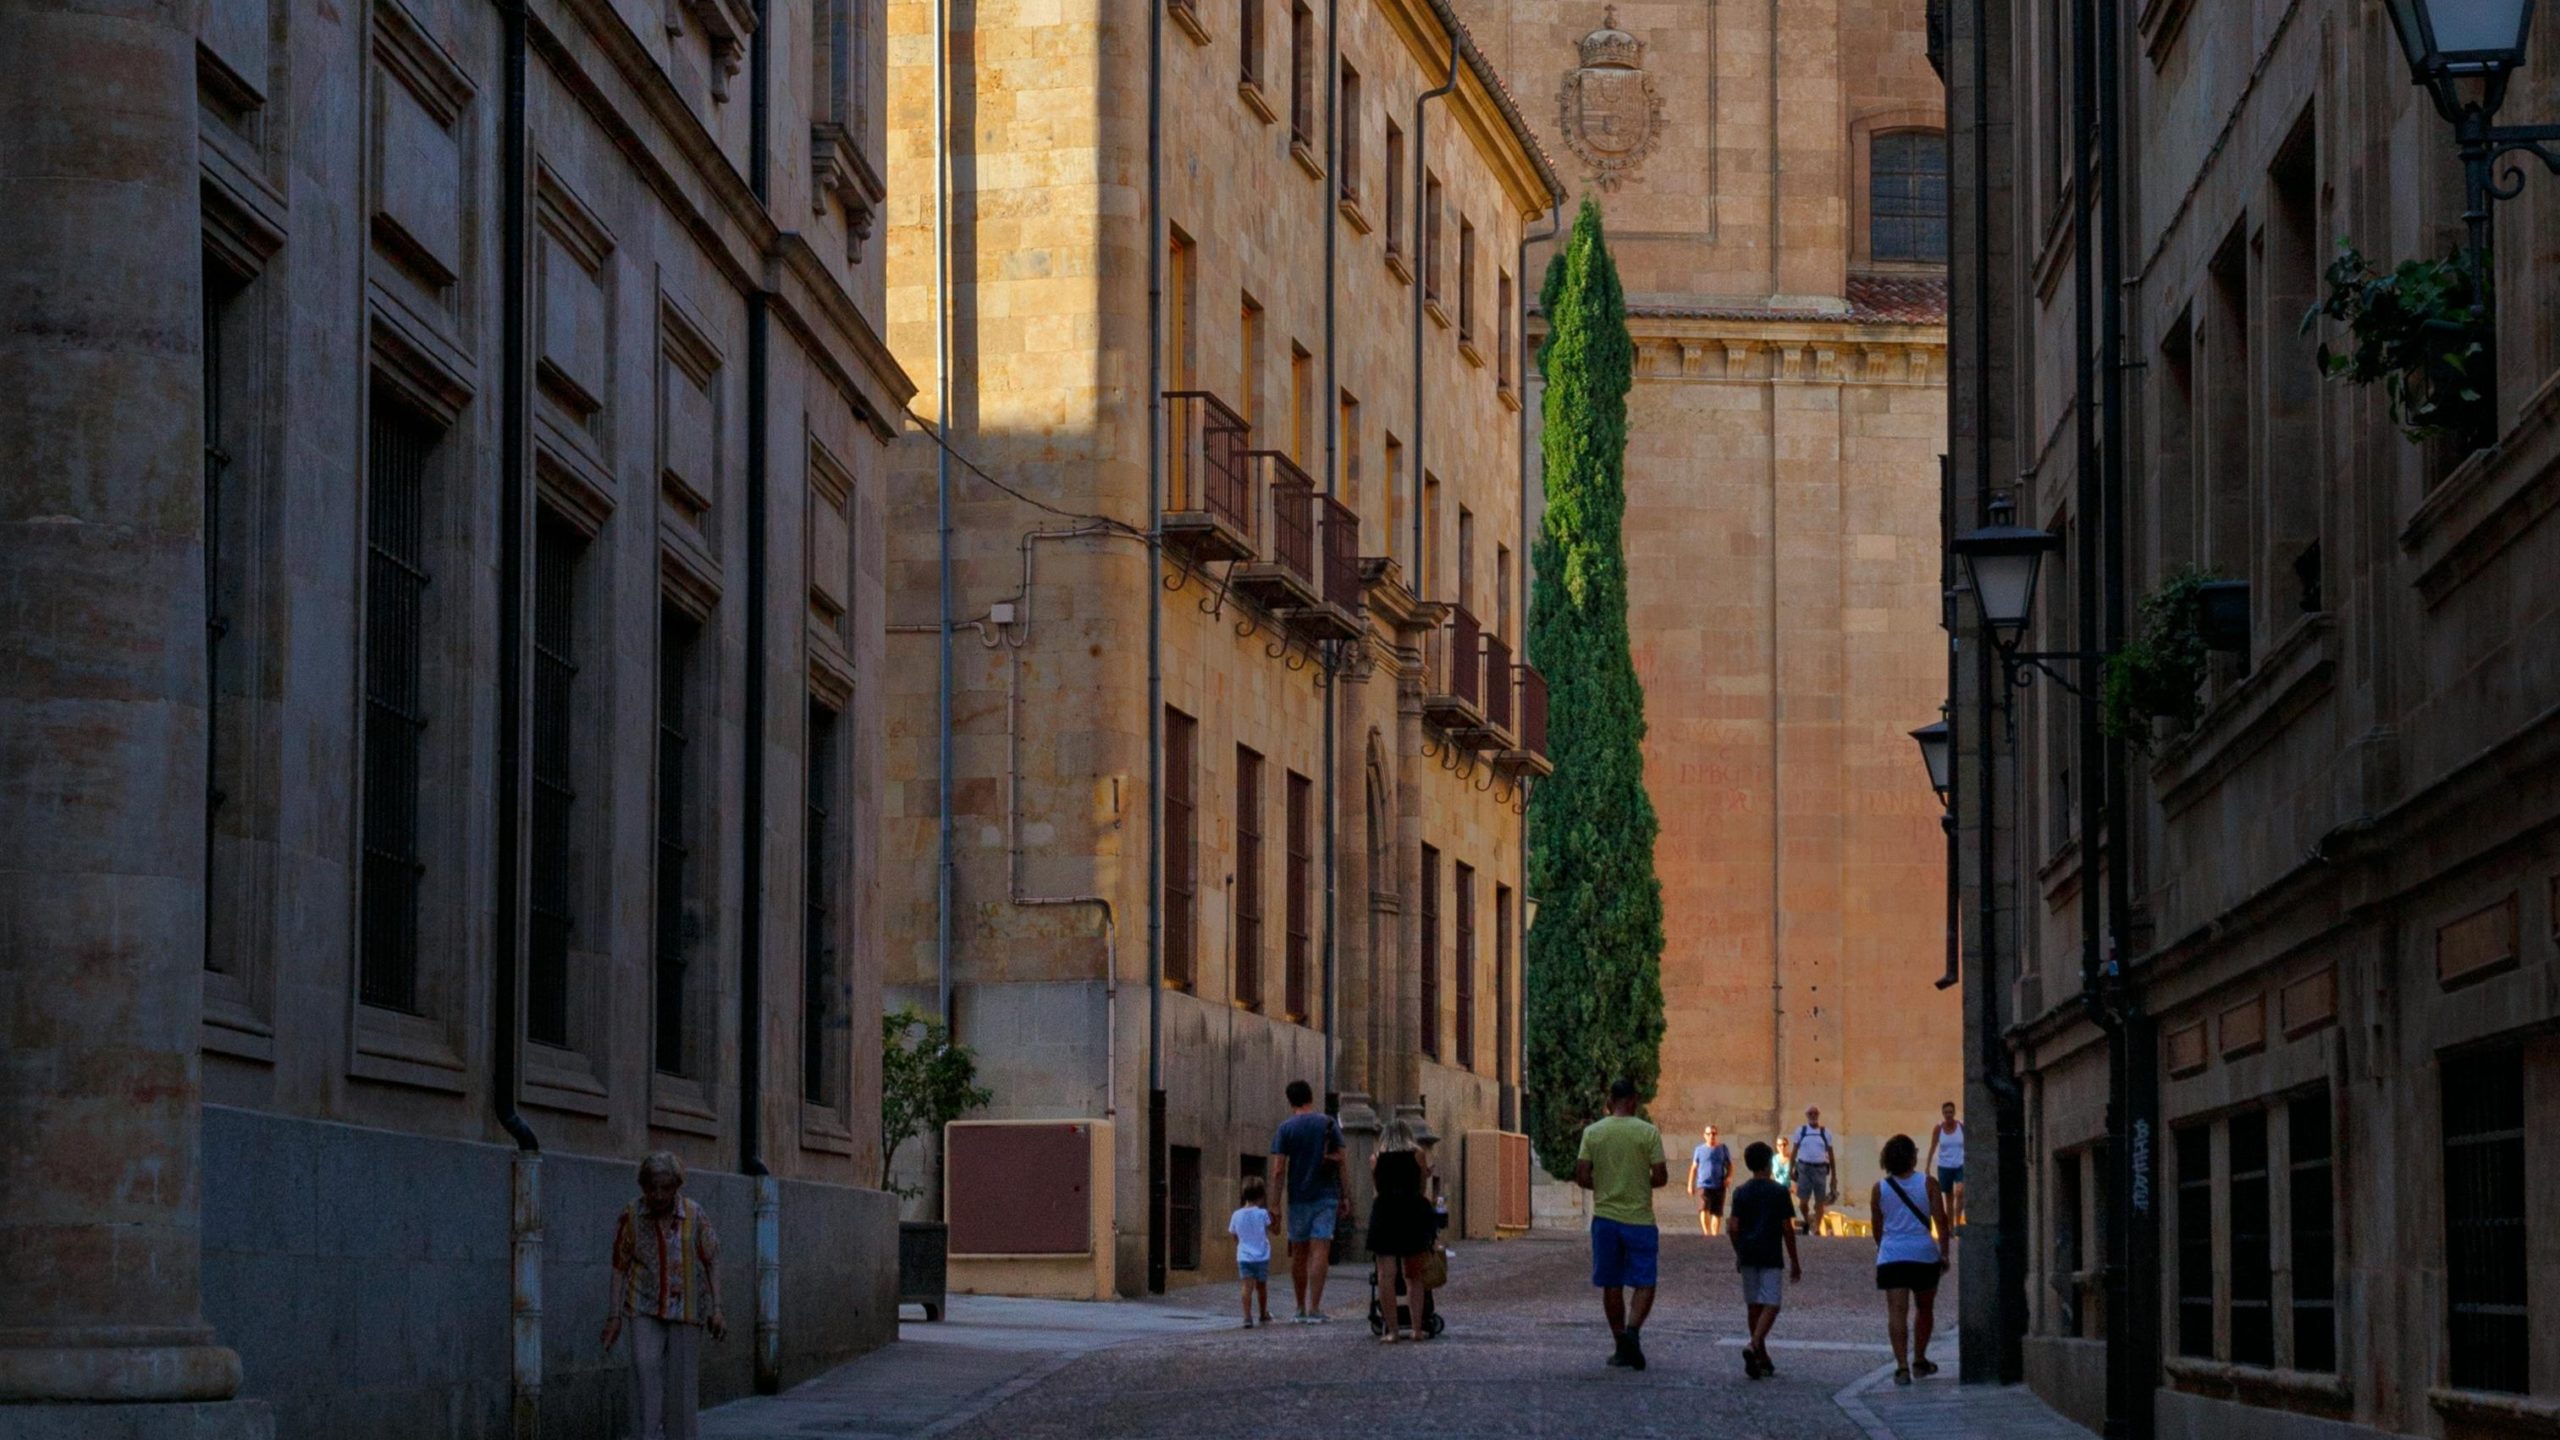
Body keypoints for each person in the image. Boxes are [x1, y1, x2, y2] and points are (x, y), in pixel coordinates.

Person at [601, 1152, 726, 1440]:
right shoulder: (631, 1215)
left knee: (681, 1384)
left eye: (665, 1187)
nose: (658, 1195)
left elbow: (712, 1259)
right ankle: (646, 1434)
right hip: (643, 1303)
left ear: (676, 1186)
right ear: (643, 1186)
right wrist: (614, 1316)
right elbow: (619, 1267)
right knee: (645, 1370)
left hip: (687, 1306)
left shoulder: (694, 1214)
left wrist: (717, 1308)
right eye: (652, 1187)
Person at [1575, 1077, 1669, 1370]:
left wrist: (1604, 1186)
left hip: (1605, 1218)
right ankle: (1633, 1332)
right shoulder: (1648, 1133)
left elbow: (1581, 1174)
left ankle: (1620, 1345)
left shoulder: (1593, 1133)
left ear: (1610, 1101)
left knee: (1611, 1283)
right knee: (1645, 1280)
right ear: (1633, 1101)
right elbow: (1662, 1176)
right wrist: (1639, 1184)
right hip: (1640, 1218)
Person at [1871, 1133, 1954, 1385]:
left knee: (1897, 1312)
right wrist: (1944, 1252)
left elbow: (1877, 1226)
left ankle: (1901, 1367)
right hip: (1923, 1254)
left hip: (1892, 1255)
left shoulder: (1880, 1188)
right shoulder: (1928, 1183)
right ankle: (1919, 1358)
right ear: (1911, 1157)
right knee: (1924, 1308)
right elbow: (1941, 1220)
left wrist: (1885, 1247)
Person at [1268, 1079, 1350, 1323]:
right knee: (1320, 1251)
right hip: (1325, 1195)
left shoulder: (1285, 1129)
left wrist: (1274, 1204)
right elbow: (1342, 1161)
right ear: (1310, 1097)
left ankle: (1299, 1307)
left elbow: (1278, 1170)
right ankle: (1315, 1307)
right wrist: (1346, 1195)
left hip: (1298, 1197)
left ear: (1290, 1101)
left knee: (1300, 1253)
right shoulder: (1327, 1123)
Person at [1726, 1141, 1801, 1380]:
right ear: (1769, 1163)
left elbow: (1733, 1227)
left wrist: (1739, 1252)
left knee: (1754, 1305)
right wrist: (1795, 1260)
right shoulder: (1779, 1192)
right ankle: (1754, 1343)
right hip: (1770, 1253)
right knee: (1772, 1303)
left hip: (1748, 1253)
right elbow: (1787, 1229)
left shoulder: (1740, 1192)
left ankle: (1761, 1356)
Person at [1366, 1119, 1438, 1342]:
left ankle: (1393, 1331)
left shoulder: (1375, 1158)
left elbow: (1378, 1187)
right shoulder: (1418, 1155)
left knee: (1385, 1276)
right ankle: (1417, 1329)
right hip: (1411, 1214)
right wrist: (1424, 1174)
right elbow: (1420, 1189)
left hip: (1384, 1214)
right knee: (1413, 1275)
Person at [1229, 1176, 1278, 1327]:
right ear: (1261, 1196)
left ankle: (1247, 1317)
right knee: (1261, 1286)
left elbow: (1234, 1234)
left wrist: (1241, 1245)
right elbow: (1274, 1229)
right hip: (1262, 1256)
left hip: (1244, 1257)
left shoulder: (1236, 1215)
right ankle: (1263, 1314)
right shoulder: (1262, 1214)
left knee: (1246, 1286)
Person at [1791, 1107, 1837, 1236]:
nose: (1813, 1115)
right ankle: (1808, 1220)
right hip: (1804, 1168)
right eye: (1810, 1113)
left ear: (1819, 1115)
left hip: (1820, 1168)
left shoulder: (1825, 1132)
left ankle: (1817, 1227)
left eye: (1815, 1113)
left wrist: (1834, 1176)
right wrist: (1790, 1169)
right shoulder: (1801, 1131)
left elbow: (1831, 1154)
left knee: (1820, 1201)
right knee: (1803, 1202)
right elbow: (1794, 1151)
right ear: (1806, 1115)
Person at [1924, 1101, 1967, 1225]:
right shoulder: (1939, 1129)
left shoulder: (1961, 1127)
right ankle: (1950, 1227)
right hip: (1944, 1166)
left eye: (1951, 1112)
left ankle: (1958, 1222)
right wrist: (1927, 1166)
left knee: (1960, 1192)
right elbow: (1933, 1147)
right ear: (1943, 1113)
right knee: (1949, 1197)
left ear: (1954, 1113)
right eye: (1946, 1112)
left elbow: (1968, 1145)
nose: (1948, 1114)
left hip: (1960, 1165)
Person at [1688, 1124, 1733, 1238]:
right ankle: (1706, 1232)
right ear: (1704, 1135)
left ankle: (1714, 1235)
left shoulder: (1722, 1148)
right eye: (1709, 1133)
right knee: (1703, 1208)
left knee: (1717, 1212)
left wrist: (1728, 1176)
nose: (1711, 1136)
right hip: (1703, 1184)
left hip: (1719, 1184)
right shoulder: (1699, 1150)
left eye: (1714, 1133)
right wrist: (1690, 1184)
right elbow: (1694, 1167)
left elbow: (1730, 1165)